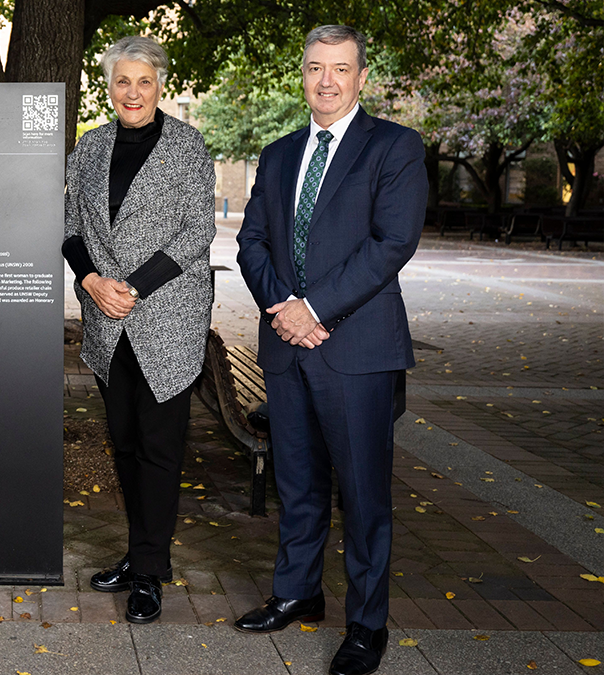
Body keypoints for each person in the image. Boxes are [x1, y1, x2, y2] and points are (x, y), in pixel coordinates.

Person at [233, 25, 427, 675]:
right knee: (299, 482)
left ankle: (368, 623)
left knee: (364, 495)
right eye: (316, 67)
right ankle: (298, 590)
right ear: (304, 73)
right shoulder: (279, 153)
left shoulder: (395, 148)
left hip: (359, 349)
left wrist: (312, 309)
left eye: (340, 69)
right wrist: (285, 308)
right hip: (287, 349)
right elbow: (251, 243)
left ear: (361, 77)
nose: (326, 80)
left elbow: (391, 243)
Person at [63, 35, 215, 624]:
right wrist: (93, 280)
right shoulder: (91, 147)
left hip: (167, 320)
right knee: (123, 443)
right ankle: (136, 552)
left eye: (144, 81)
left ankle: (150, 572)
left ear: (159, 85)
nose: (133, 92)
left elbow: (197, 230)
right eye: (122, 81)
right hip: (108, 320)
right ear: (109, 86)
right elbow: (71, 224)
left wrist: (135, 286)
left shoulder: (187, 146)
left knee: (158, 448)